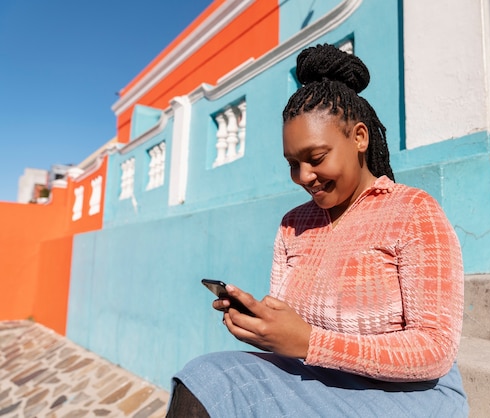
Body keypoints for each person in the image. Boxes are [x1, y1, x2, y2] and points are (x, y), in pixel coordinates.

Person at [166, 43, 468, 417]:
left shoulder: (413, 211)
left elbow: (435, 349)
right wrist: (263, 325)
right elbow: (290, 333)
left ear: (359, 137)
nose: (304, 176)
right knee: (203, 377)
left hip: (406, 393)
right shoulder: (293, 223)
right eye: (293, 163)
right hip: (316, 377)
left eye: (316, 158)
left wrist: (311, 342)